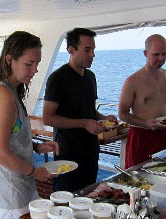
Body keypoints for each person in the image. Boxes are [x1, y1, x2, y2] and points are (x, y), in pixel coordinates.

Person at [0, 31, 59, 219]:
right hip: (8, 192)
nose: (34, 70)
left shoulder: (11, 90)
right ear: (10, 59)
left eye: (37, 64)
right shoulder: (1, 95)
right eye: (29, 63)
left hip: (19, 186)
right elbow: (0, 153)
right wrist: (34, 171)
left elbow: (10, 136)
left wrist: (36, 147)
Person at [42, 27, 116, 192]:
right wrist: (84, 124)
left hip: (90, 150)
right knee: (67, 200)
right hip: (68, 153)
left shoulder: (90, 77)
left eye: (93, 50)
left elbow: (89, 110)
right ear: (71, 50)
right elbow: (48, 117)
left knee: (89, 194)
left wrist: (104, 118)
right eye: (87, 50)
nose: (92, 55)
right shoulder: (58, 78)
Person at [118, 34, 166, 169]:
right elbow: (122, 113)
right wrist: (145, 124)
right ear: (146, 53)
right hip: (141, 138)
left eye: (164, 54)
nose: (161, 58)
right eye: (156, 54)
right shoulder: (132, 81)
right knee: (139, 182)